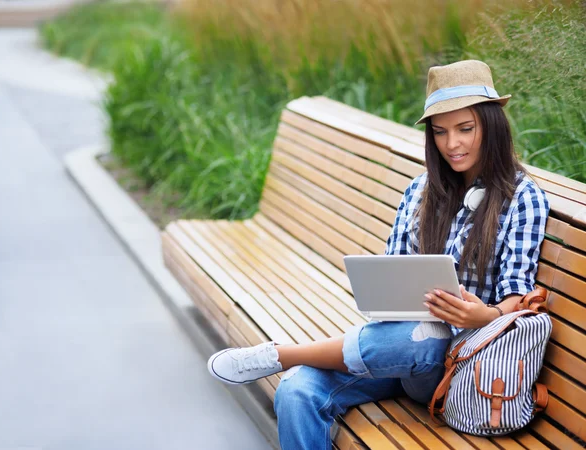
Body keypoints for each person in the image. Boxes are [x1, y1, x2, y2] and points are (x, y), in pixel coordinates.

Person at [206, 60, 550, 449]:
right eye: (440, 132)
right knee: (298, 391)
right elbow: (393, 270)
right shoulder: (422, 191)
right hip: (394, 349)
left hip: (459, 365)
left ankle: (279, 354)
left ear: (492, 124)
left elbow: (518, 298)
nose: (452, 144)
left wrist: (483, 315)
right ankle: (291, 364)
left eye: (465, 129)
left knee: (428, 338)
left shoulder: (522, 199)